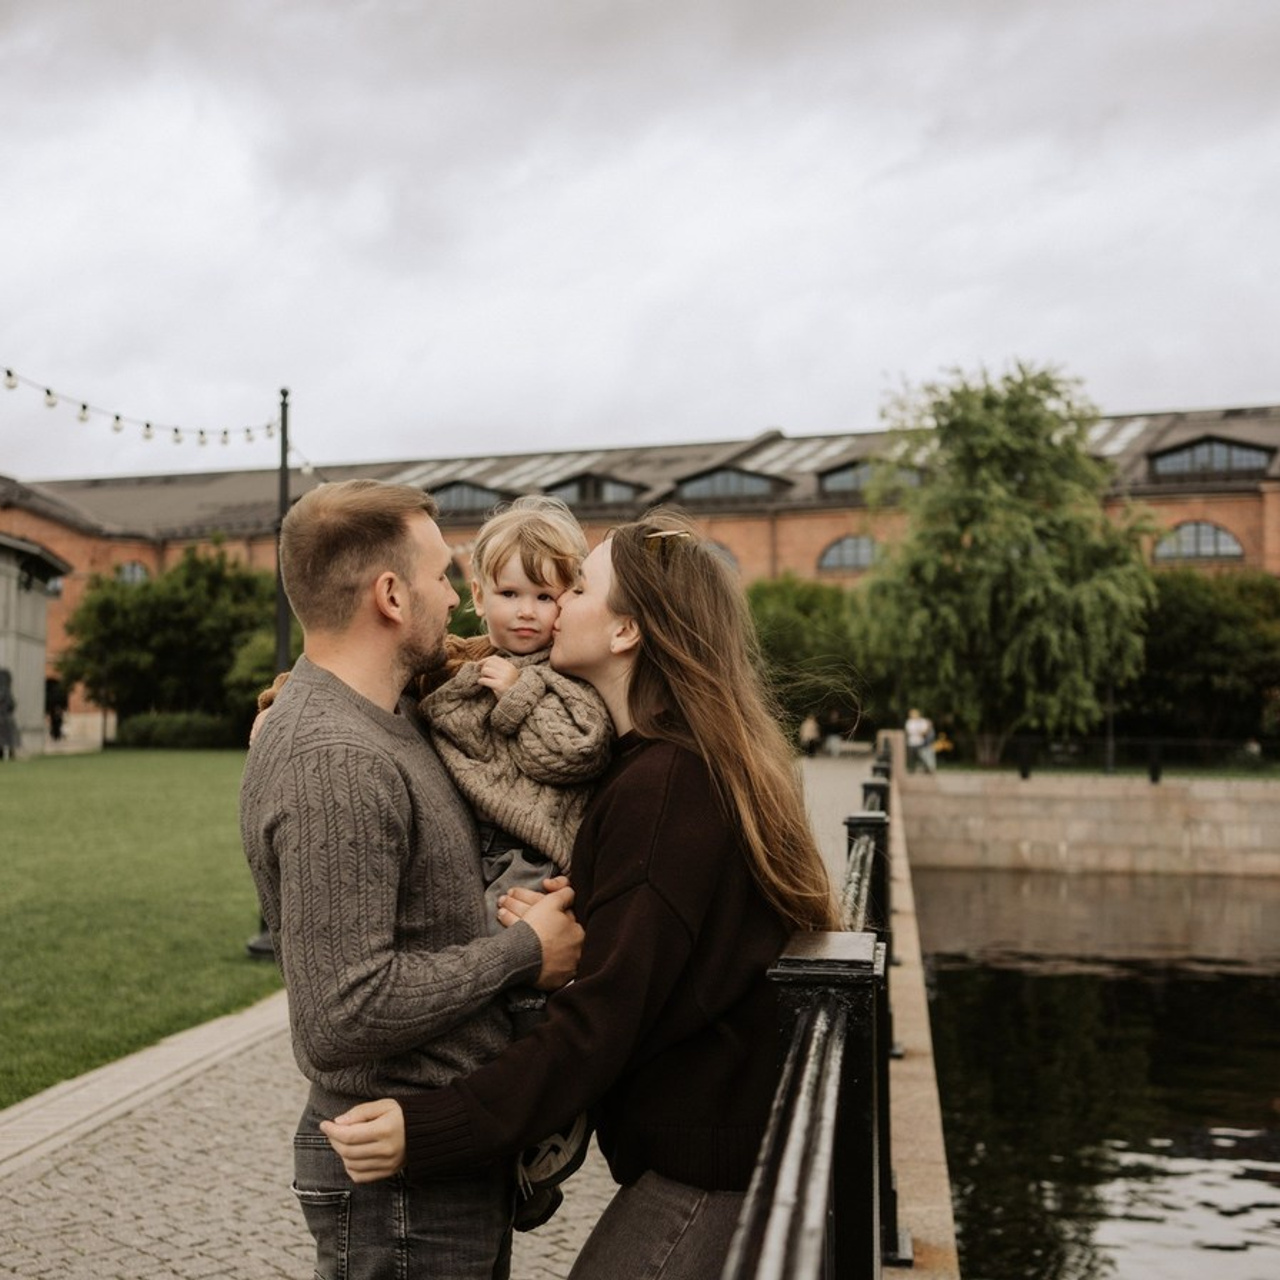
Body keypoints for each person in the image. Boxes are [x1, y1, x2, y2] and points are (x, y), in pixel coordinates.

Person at [321, 508, 840, 1279]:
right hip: (722, 1157)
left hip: (713, 1177)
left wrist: (429, 1128)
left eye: (580, 589)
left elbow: (604, 1018)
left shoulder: (664, 786)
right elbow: (660, 948)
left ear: (626, 631)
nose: (555, 604)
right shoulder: (656, 764)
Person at [239, 479, 584, 1280]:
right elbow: (341, 1014)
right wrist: (526, 952)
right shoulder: (335, 760)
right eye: (441, 576)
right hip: (396, 1186)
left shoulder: (390, 716)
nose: (459, 598)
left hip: (435, 1158)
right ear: (391, 595)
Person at [417, 494, 612, 1224]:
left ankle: (550, 1128)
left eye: (545, 595)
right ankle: (485, 1125)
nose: (526, 611)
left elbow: (577, 752)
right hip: (476, 851)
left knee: (529, 987)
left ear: (570, 601)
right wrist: (280, 702)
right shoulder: (462, 661)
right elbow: (370, 682)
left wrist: (524, 694)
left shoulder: (568, 676)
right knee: (467, 983)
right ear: (478, 595)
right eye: (509, 593)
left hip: (535, 853)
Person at [905, 706, 936, 773]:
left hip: (920, 742)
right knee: (912, 756)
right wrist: (918, 732)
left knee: (921, 756)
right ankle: (912, 768)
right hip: (911, 742)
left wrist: (917, 732)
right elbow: (908, 731)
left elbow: (925, 731)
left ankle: (926, 768)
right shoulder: (909, 722)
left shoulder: (922, 721)